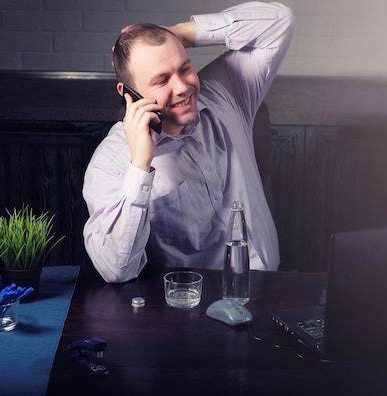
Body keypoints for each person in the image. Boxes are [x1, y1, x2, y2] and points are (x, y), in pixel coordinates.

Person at [82, 2, 294, 283]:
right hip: (189, 304)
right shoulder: (111, 163)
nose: (182, 87)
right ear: (128, 93)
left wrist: (176, 34)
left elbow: (279, 20)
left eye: (184, 68)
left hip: (270, 286)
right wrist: (140, 167)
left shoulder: (225, 93)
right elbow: (115, 270)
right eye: (161, 80)